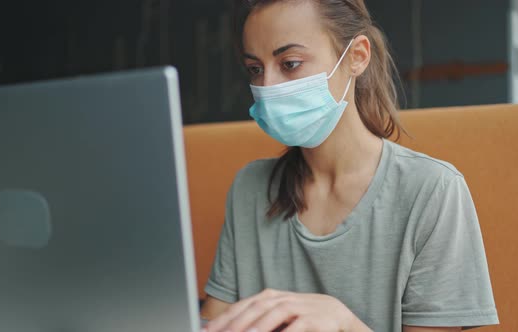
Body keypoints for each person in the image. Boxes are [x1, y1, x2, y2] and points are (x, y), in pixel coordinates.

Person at [200, 1, 499, 331]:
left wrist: (343, 322)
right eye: (256, 69)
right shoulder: (250, 188)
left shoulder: (432, 191)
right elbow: (213, 323)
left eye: (290, 63)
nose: (268, 87)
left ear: (357, 56)